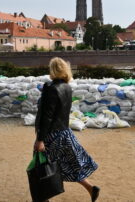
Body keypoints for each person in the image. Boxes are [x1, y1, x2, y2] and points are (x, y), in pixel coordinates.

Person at [34, 57, 100, 202]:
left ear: (52, 69)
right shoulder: (67, 87)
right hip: (64, 132)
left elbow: (47, 117)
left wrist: (40, 139)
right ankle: (91, 188)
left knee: (43, 166)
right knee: (69, 165)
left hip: (51, 135)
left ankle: (44, 198)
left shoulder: (51, 89)